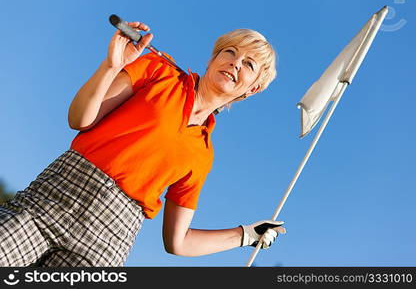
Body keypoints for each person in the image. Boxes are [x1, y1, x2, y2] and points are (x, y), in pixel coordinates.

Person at [0, 21, 286, 267]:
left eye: (249, 64)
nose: (235, 63)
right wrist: (111, 66)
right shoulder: (158, 70)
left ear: (253, 89)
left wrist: (246, 235)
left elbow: (178, 242)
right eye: (230, 52)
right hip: (49, 203)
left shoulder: (202, 154)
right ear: (212, 60)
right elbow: (79, 119)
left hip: (105, 245)